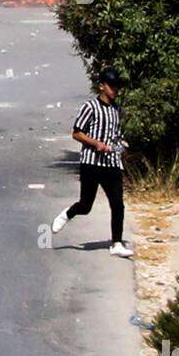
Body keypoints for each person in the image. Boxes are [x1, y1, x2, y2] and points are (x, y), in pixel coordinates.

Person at [52, 68, 133, 257]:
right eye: (111, 86)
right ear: (102, 86)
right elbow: (77, 133)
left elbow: (116, 134)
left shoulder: (117, 110)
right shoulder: (90, 107)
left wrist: (121, 145)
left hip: (112, 163)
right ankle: (68, 214)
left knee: (117, 204)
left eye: (117, 87)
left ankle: (117, 243)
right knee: (86, 205)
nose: (115, 90)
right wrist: (96, 144)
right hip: (91, 163)